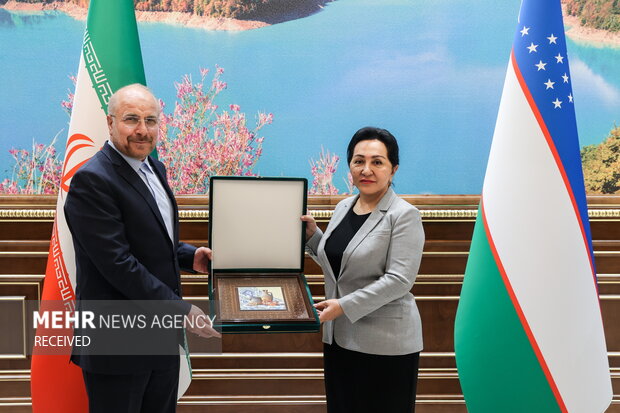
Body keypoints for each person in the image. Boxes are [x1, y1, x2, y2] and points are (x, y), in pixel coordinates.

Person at [64, 83, 220, 413]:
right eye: (131, 119)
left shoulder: (154, 168)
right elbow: (118, 264)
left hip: (159, 338)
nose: (142, 130)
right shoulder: (92, 180)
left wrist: (191, 256)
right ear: (110, 123)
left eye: (151, 121)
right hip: (116, 342)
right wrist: (182, 310)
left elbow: (151, 240)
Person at [301, 127, 425, 413]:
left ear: (393, 169)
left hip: (385, 345)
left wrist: (343, 306)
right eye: (359, 161)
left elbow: (399, 280)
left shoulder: (404, 215)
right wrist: (313, 237)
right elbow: (341, 266)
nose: (366, 169)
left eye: (377, 162)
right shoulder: (344, 206)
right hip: (339, 338)